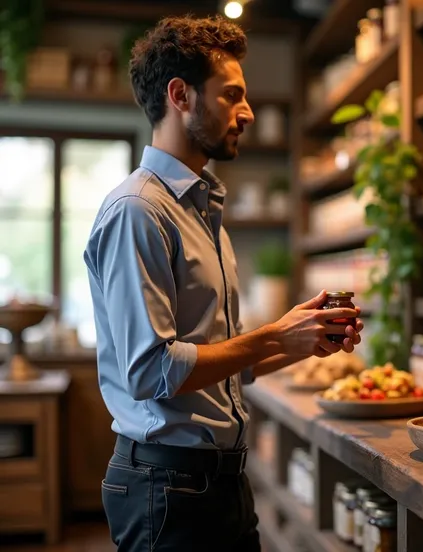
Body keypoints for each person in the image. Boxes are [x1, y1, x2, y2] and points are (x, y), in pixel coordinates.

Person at [83, 15, 363, 552]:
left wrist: (302, 340)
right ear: (180, 95)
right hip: (166, 489)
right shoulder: (138, 211)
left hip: (221, 483)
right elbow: (152, 370)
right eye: (232, 95)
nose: (248, 112)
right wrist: (274, 335)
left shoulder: (201, 210)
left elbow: (218, 364)